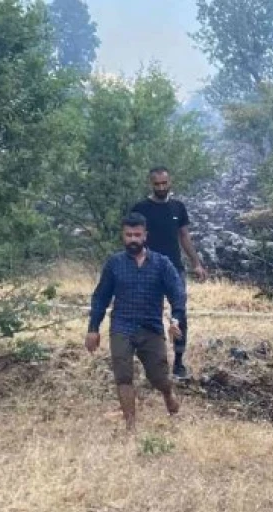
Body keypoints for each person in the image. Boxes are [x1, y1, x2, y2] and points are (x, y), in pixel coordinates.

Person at [86, 212, 187, 432]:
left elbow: (177, 293)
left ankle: (168, 394)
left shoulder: (162, 264)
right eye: (129, 235)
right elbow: (101, 297)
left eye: (137, 235)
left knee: (158, 377)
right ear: (123, 236)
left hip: (150, 327)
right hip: (122, 326)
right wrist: (93, 329)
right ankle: (130, 427)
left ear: (145, 236)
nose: (133, 239)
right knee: (123, 376)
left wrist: (176, 319)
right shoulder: (114, 264)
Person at [130, 166, 207, 380]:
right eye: (157, 184)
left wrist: (196, 263)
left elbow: (184, 236)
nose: (161, 187)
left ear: (170, 182)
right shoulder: (140, 209)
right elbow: (133, 238)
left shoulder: (178, 207)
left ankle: (179, 363)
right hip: (148, 270)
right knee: (148, 317)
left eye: (165, 183)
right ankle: (153, 364)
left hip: (174, 269)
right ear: (151, 184)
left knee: (179, 314)